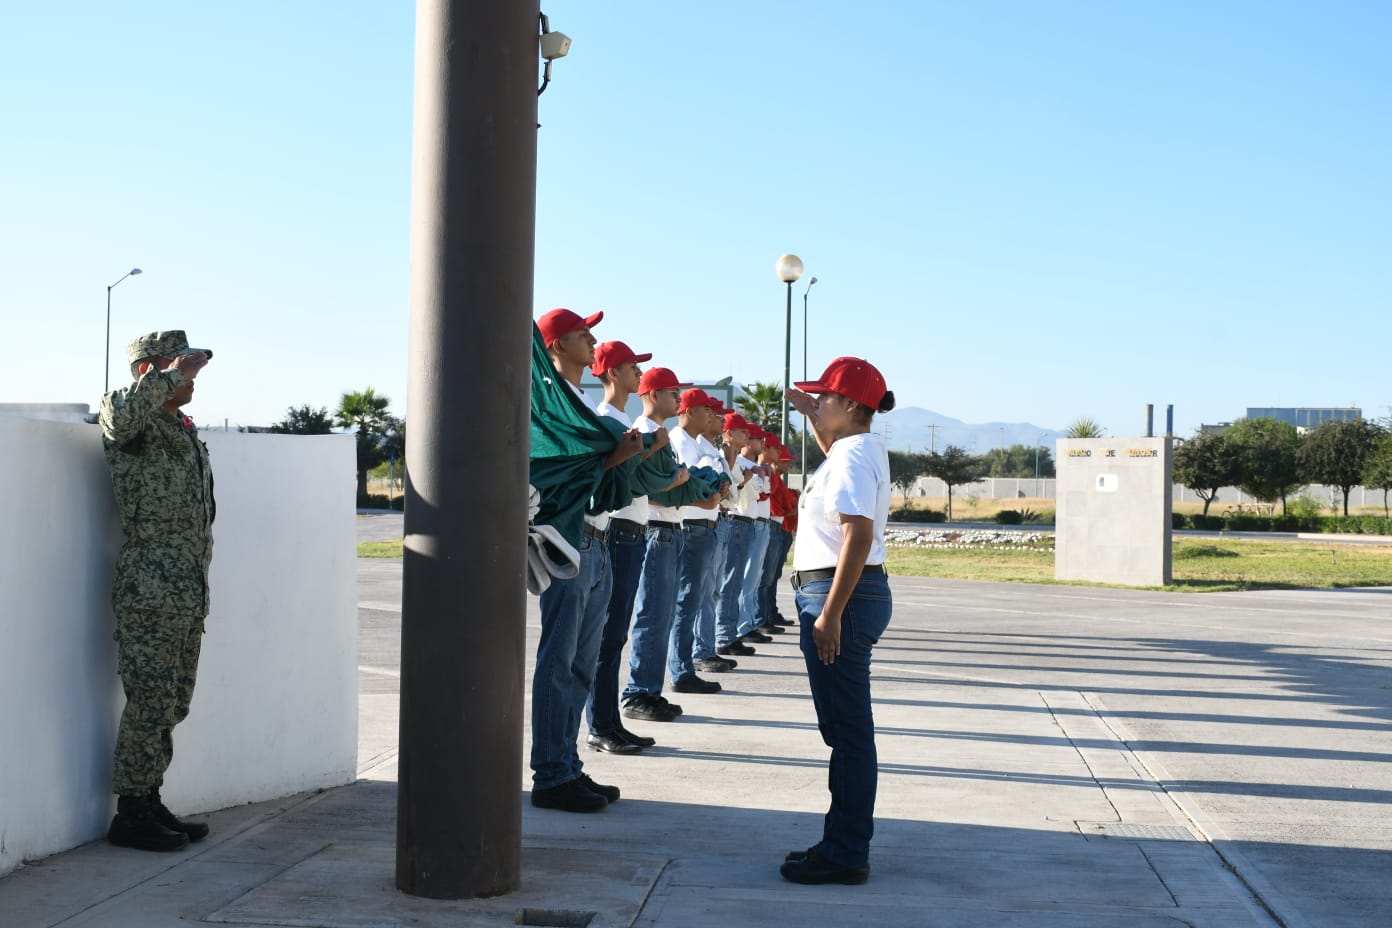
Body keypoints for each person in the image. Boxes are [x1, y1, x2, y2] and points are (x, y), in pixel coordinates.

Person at [779, 356, 896, 885]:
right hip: (845, 590)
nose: (818, 402)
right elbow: (836, 462)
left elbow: (858, 536)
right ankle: (841, 842)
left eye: (825, 397)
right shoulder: (855, 448)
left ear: (850, 405)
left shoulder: (851, 456)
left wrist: (830, 614)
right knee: (846, 728)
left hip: (838, 593)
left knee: (848, 732)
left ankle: (847, 852)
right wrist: (811, 415)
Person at [100, 330, 215, 852]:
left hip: (186, 588)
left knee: (172, 702)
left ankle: (149, 799)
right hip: (150, 587)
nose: (189, 381)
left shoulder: (179, 427)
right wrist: (168, 376)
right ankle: (129, 813)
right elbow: (121, 417)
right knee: (148, 701)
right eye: (179, 370)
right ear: (151, 371)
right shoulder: (130, 419)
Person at [530, 308, 642, 812]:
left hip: (595, 539)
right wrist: (612, 456)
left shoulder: (577, 401)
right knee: (560, 658)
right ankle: (551, 775)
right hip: (569, 540)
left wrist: (614, 458)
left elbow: (595, 479)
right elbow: (562, 468)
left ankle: (568, 765)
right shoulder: (550, 402)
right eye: (582, 333)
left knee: (578, 663)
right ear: (555, 345)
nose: (592, 340)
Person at [586, 339, 660, 755]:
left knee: (615, 635)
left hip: (627, 532)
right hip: (615, 531)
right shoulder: (605, 419)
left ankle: (609, 720)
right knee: (607, 634)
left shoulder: (619, 418)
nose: (638, 373)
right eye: (632, 366)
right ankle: (600, 724)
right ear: (613, 372)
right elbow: (625, 481)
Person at [620, 367, 694, 723]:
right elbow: (652, 487)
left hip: (666, 529)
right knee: (650, 613)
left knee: (662, 613)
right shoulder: (645, 431)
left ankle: (650, 689)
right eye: (671, 392)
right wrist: (678, 481)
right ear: (652, 395)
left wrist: (679, 482)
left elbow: (672, 485)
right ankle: (638, 692)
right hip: (654, 529)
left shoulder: (660, 433)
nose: (678, 398)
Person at [667, 388, 731, 692]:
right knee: (686, 601)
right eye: (706, 409)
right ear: (690, 410)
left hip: (705, 524)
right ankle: (681, 669)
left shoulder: (696, 443)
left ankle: (685, 665)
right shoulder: (678, 441)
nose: (711, 415)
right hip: (691, 526)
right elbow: (680, 487)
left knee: (693, 600)